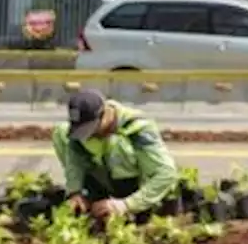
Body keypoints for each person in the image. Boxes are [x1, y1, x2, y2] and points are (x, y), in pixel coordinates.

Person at [51, 89, 178, 220]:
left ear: (105, 115)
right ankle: (95, 197)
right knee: (60, 133)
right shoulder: (81, 129)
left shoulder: (138, 128)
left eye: (90, 129)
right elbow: (74, 156)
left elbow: (166, 174)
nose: (87, 135)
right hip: (105, 180)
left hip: (135, 189)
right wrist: (75, 191)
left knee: (117, 144)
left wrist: (126, 205)